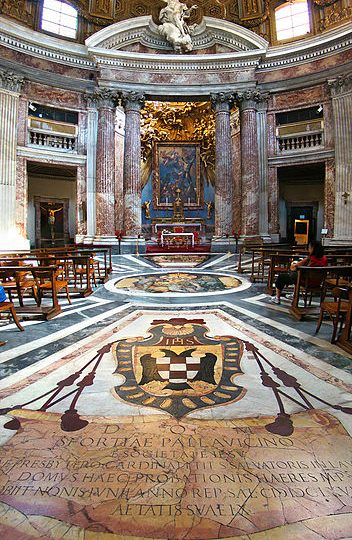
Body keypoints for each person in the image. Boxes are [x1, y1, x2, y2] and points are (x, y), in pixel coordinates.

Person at [270, 240, 328, 304]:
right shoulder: (324, 258)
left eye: (309, 247)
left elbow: (295, 266)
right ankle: (294, 295)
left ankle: (277, 298)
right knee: (297, 275)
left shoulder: (310, 258)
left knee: (281, 276)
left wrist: (294, 264)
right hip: (318, 282)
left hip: (306, 282)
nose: (308, 249)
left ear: (313, 248)